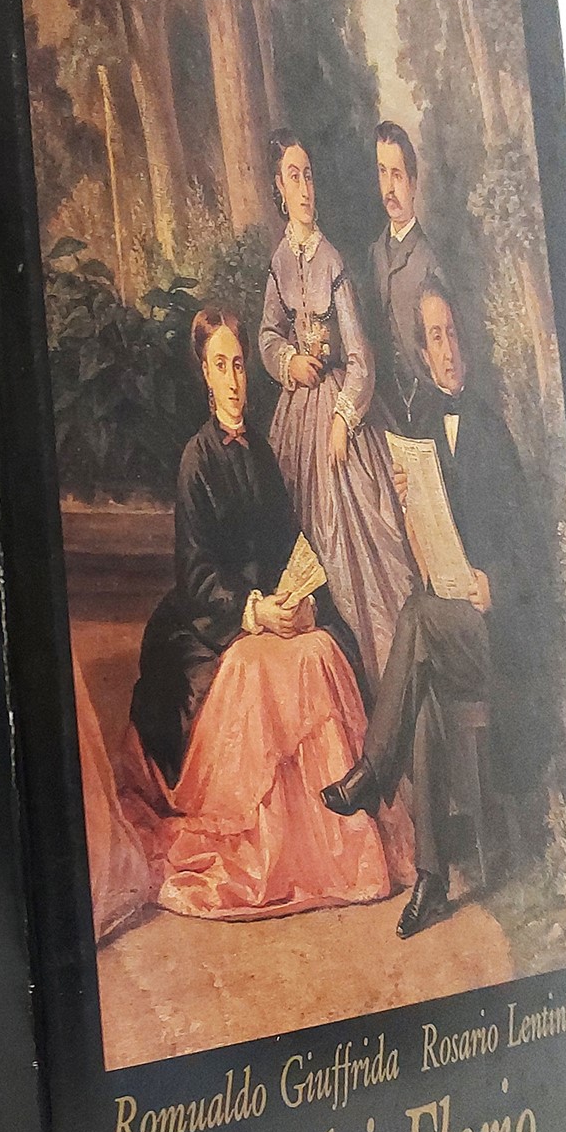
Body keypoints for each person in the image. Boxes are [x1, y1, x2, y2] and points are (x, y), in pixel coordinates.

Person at [129, 310, 409, 921]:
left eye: (239, 365)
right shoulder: (196, 458)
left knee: (323, 651)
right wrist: (254, 612)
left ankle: (335, 846)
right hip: (214, 622)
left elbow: (289, 547)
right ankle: (276, 853)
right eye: (220, 366)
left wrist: (301, 602)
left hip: (274, 606)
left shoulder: (261, 453)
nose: (234, 380)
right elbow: (197, 575)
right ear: (204, 375)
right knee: (260, 670)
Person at [323, 284, 532, 938]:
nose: (447, 349)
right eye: (434, 337)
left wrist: (494, 582)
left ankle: (372, 769)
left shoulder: (492, 431)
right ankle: (431, 880)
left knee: (414, 617)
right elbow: (428, 554)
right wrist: (411, 510)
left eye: (452, 334)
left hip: (493, 630)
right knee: (424, 688)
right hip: (449, 630)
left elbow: (530, 550)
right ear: (421, 349)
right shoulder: (424, 432)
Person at [256, 131, 420, 679]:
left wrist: (343, 418)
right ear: (279, 188)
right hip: (293, 422)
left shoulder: (333, 261)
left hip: (336, 415)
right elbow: (266, 335)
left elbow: (361, 360)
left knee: (362, 552)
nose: (306, 188)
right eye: (294, 177)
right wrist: (288, 362)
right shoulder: (279, 262)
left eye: (309, 175)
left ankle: (378, 684)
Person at [365, 122, 447, 422]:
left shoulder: (430, 261)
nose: (389, 188)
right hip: (384, 408)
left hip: (427, 410)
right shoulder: (374, 254)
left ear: (412, 183)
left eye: (397, 175)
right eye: (382, 172)